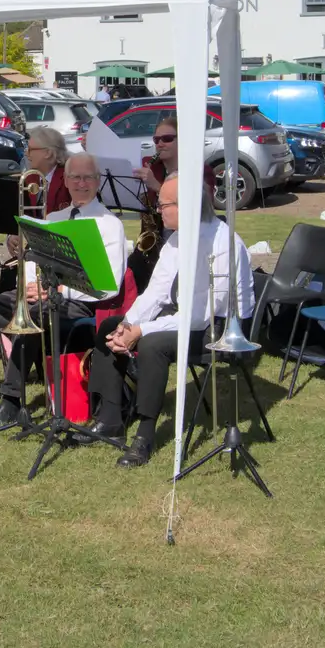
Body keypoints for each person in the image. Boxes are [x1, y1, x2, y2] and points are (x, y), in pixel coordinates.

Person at [0, 153, 128, 428]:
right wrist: (31, 286)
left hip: (80, 304)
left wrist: (58, 290)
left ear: (97, 182)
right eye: (75, 177)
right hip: (41, 297)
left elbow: (110, 286)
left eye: (88, 177)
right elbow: (35, 259)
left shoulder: (109, 224)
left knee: (36, 314)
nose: (81, 183)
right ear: (66, 181)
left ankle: (11, 401)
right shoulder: (54, 216)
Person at [89, 176, 253, 466]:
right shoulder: (177, 238)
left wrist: (141, 331)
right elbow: (156, 292)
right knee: (107, 326)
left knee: (153, 344)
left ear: (186, 206)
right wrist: (127, 324)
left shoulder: (220, 243)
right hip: (189, 316)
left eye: (163, 205)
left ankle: (144, 435)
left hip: (221, 328)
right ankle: (110, 418)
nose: (158, 211)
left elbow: (198, 316)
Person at [128, 115, 217, 292]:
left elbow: (198, 210)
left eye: (167, 139)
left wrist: (157, 186)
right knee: (130, 269)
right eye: (156, 139)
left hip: (181, 243)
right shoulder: (154, 167)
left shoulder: (201, 171)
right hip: (152, 242)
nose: (160, 144)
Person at [26, 126, 72, 213]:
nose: (26, 153)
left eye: (30, 149)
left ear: (48, 153)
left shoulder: (70, 177)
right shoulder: (29, 177)